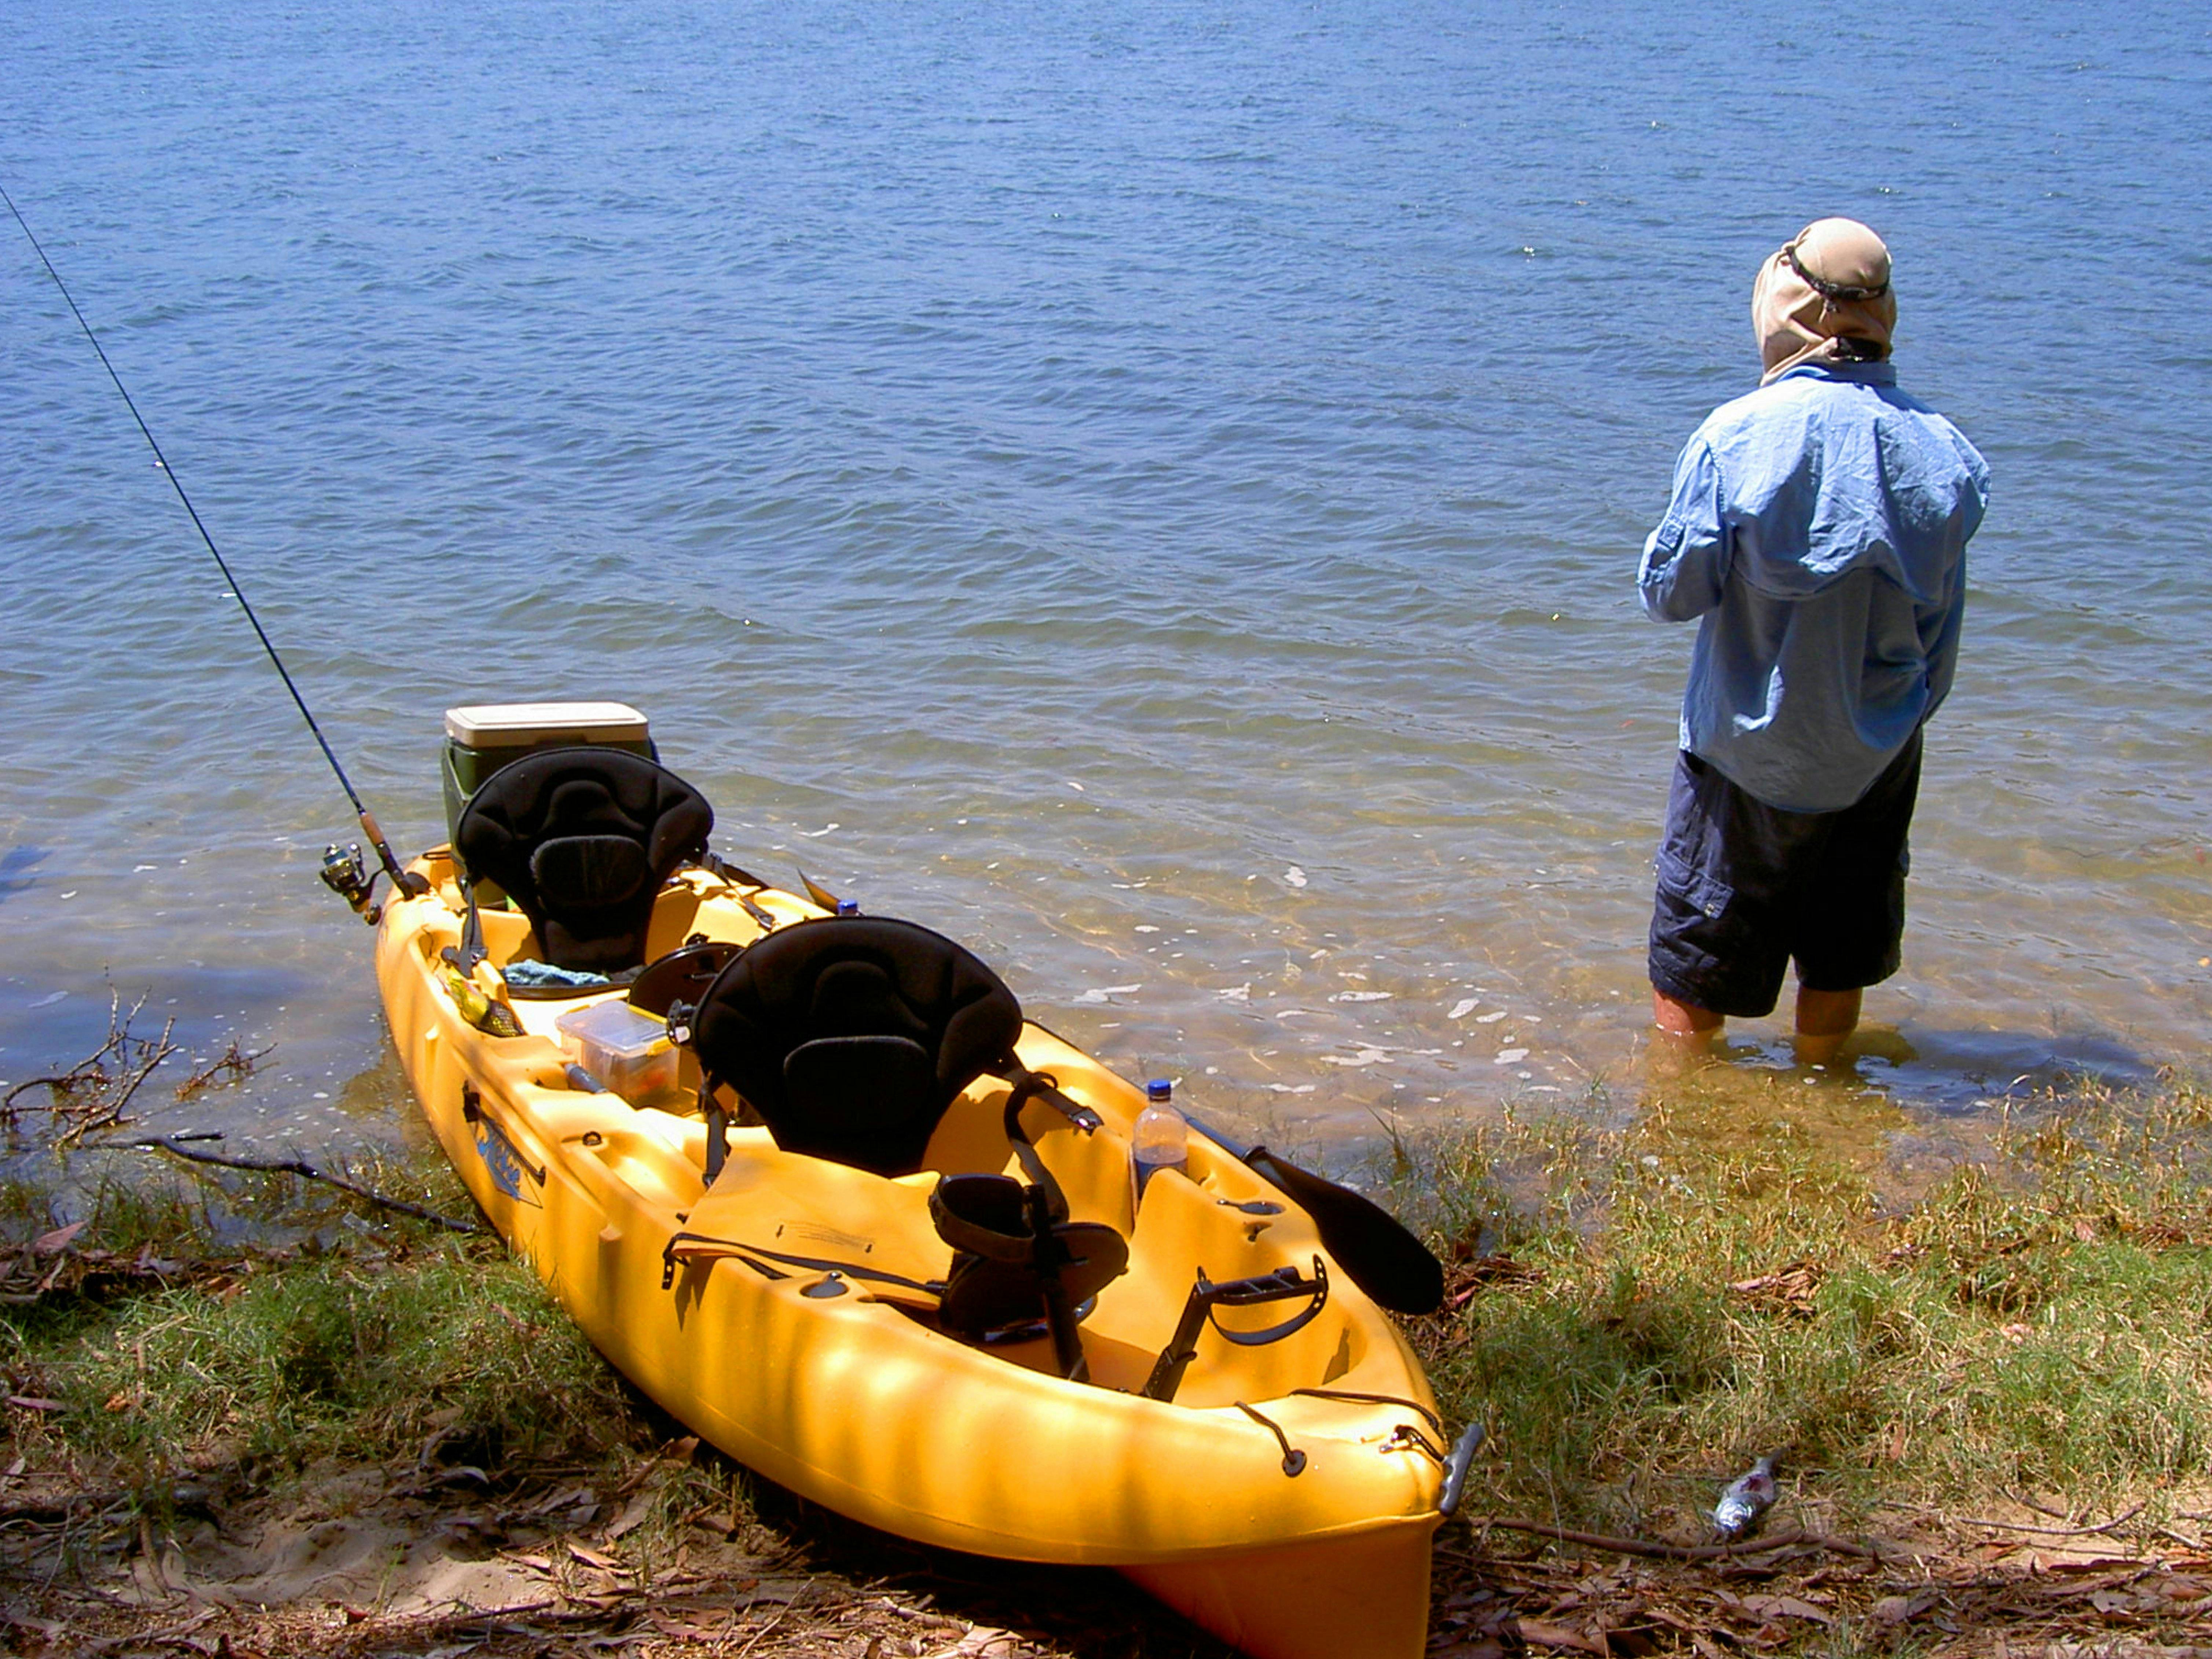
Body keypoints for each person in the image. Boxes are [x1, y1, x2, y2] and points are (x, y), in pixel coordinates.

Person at [1637, 217, 1989, 1062]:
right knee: (1840, 951)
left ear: (1786, 309)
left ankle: (1686, 1106)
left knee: (1696, 962)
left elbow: (1669, 595)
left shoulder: (1735, 436)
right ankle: (1825, 1091)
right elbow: (1939, 646)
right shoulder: (1946, 453)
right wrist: (1889, 724)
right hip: (1878, 751)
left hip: (1742, 754)